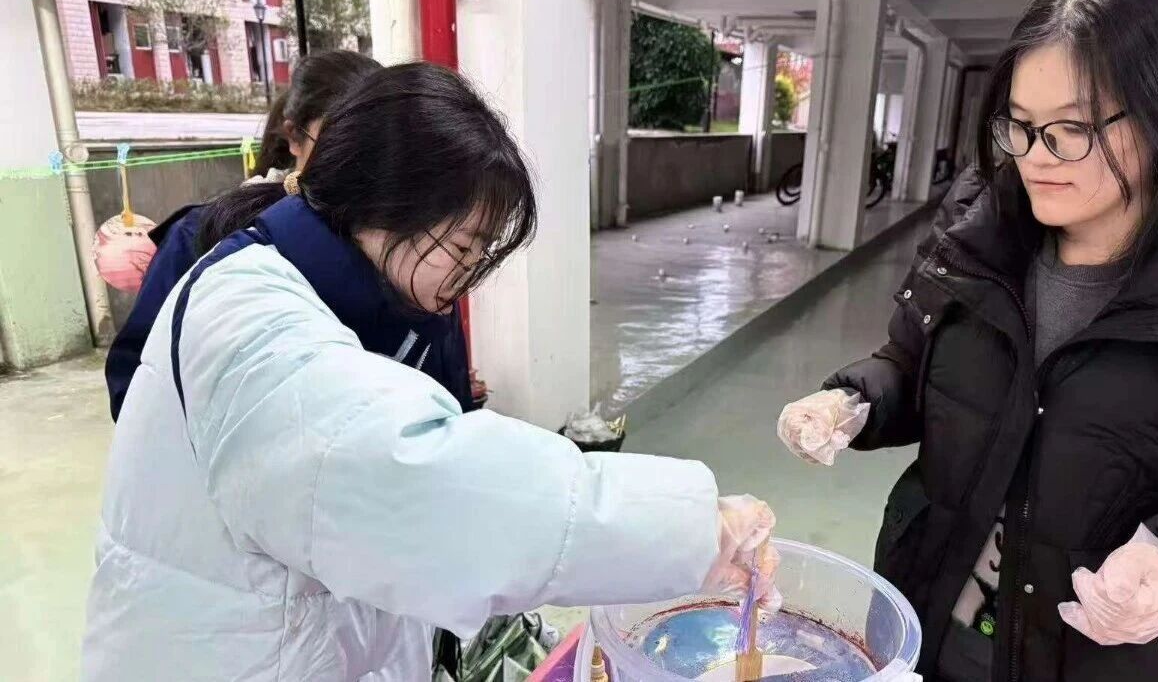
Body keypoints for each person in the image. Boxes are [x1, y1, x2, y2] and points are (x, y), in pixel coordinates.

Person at [82, 62, 781, 680]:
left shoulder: (388, 301)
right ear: (384, 204)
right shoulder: (247, 318)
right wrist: (695, 529)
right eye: (463, 248)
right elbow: (430, 483)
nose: (469, 277)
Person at [777, 0, 1158, 680]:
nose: (1035, 158)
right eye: (1019, 124)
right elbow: (913, 365)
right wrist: (852, 400)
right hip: (929, 625)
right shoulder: (978, 229)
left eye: (1069, 130)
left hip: (1095, 662)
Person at [103, 50, 469, 419]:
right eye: (337, 142)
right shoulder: (205, 237)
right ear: (294, 137)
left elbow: (452, 404)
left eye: (378, 149)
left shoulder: (413, 255)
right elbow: (137, 388)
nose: (358, 166)